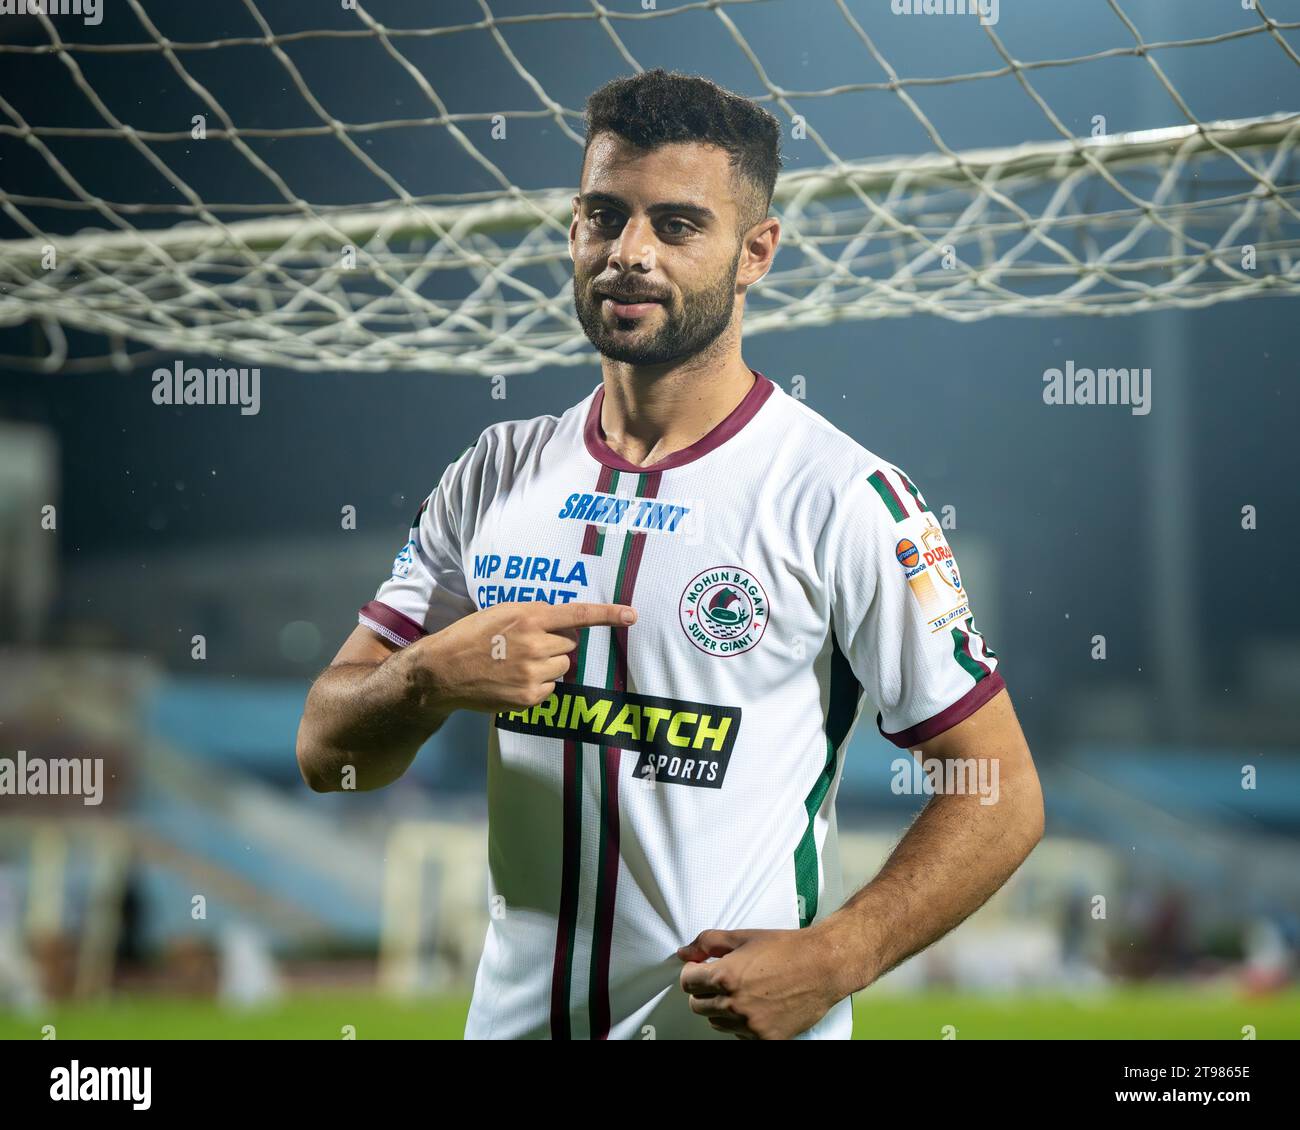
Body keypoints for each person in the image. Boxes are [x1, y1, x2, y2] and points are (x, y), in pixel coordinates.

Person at [296, 68, 1043, 1040]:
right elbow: (325, 750)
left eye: (677, 225)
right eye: (603, 216)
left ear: (756, 252)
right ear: (572, 227)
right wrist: (425, 677)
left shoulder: (841, 496)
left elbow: (1001, 790)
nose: (628, 253)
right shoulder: (493, 470)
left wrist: (835, 955)